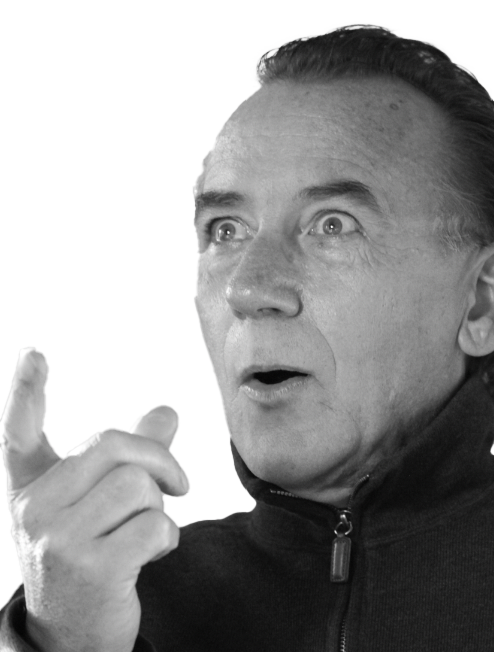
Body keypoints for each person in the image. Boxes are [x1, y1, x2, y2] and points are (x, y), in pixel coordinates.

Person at [2, 22, 494, 651]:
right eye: (226, 229)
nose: (247, 288)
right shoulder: (107, 611)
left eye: (333, 225)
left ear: (480, 302)